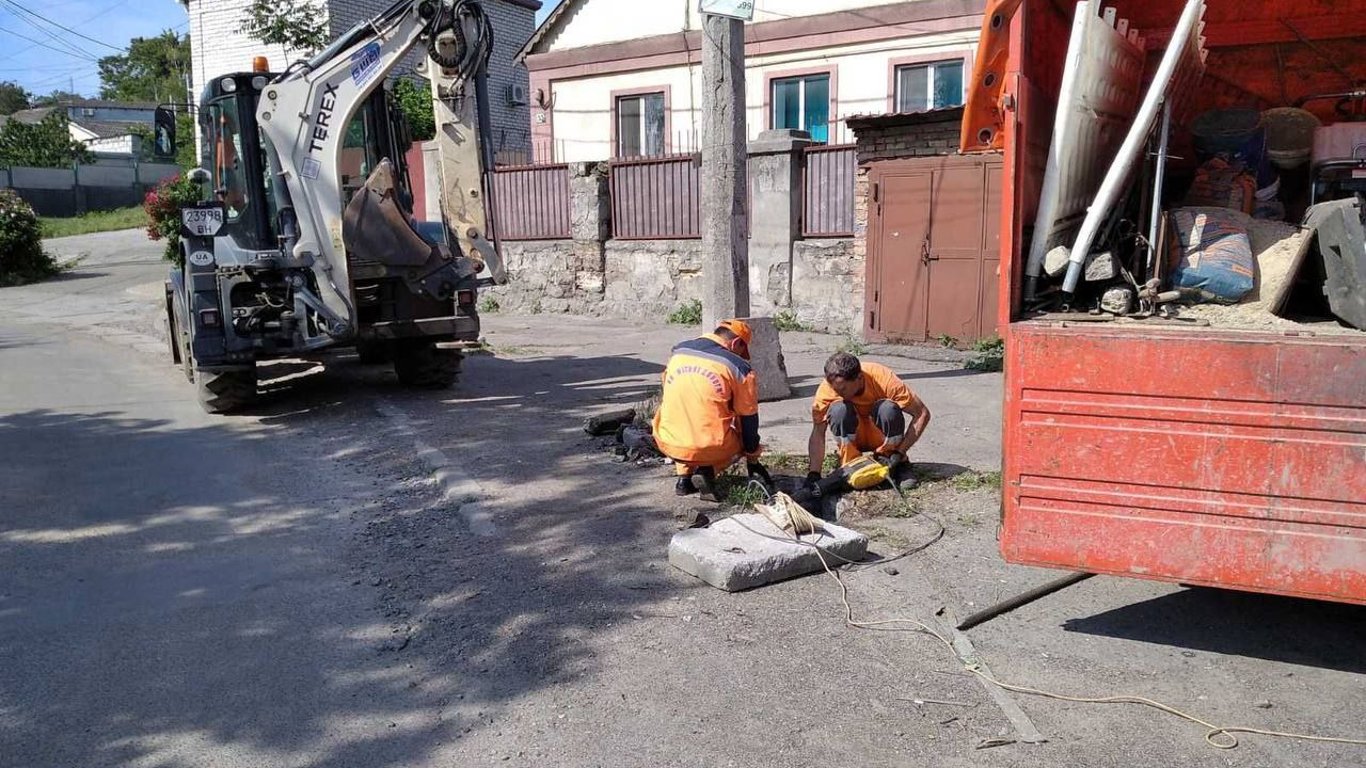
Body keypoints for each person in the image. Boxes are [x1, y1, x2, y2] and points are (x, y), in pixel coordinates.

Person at [653, 319, 771, 501]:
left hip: (666, 440)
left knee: (684, 412)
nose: (740, 355)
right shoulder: (739, 368)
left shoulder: (679, 351)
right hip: (708, 447)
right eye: (741, 351)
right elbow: (748, 418)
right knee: (742, 437)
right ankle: (707, 471)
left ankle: (684, 479)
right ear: (736, 343)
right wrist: (753, 457)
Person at [806, 351, 931, 493]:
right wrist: (814, 474)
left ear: (859, 377)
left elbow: (922, 414)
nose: (837, 392)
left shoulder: (883, 378)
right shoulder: (828, 389)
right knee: (838, 410)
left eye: (843, 388)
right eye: (834, 388)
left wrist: (900, 452)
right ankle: (850, 464)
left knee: (888, 409)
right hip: (854, 436)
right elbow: (818, 432)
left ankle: (897, 465)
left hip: (880, 437)